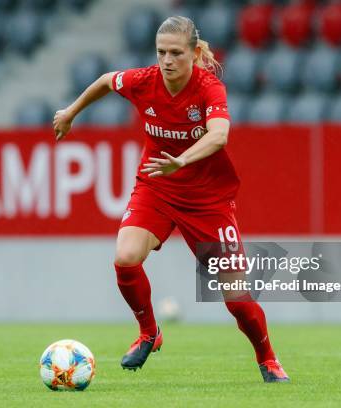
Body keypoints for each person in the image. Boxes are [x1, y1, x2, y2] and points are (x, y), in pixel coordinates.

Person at [53, 16, 289, 383]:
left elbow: (220, 136)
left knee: (237, 299)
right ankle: (149, 332)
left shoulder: (208, 88)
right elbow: (104, 81)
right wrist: (70, 113)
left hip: (208, 198)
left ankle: (268, 358)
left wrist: (182, 159)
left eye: (176, 53)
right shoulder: (143, 81)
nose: (166, 60)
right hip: (157, 186)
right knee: (125, 258)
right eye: (161, 52)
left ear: (194, 54)